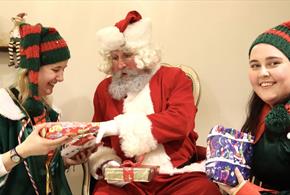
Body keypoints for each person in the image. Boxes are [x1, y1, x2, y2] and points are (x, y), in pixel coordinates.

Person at [88, 10, 221, 195]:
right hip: (128, 179)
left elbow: (181, 122)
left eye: (126, 55)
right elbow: (99, 141)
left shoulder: (174, 77)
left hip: (174, 175)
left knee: (204, 189)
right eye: (114, 57)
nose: (119, 65)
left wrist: (120, 126)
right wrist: (108, 163)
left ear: (144, 53)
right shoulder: (104, 89)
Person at [0, 22, 91, 195]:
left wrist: (64, 161)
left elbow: (40, 173)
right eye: (56, 69)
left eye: (64, 69)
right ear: (32, 71)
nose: (61, 78)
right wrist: (22, 151)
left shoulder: (48, 113)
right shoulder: (4, 110)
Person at [219, 20, 290, 195]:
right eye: (255, 65)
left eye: (274, 63)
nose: (262, 73)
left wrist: (246, 192)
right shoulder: (262, 109)